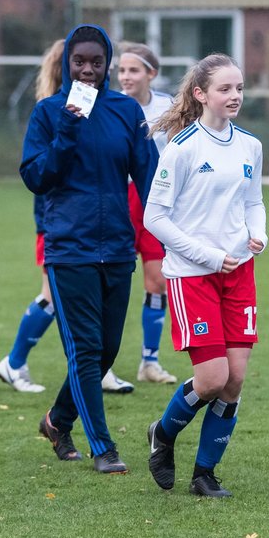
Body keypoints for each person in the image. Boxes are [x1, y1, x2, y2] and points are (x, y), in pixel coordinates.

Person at [22, 24, 156, 474]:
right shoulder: (48, 113)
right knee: (83, 349)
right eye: (79, 61)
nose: (87, 69)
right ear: (67, 65)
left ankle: (57, 421)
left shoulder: (125, 112)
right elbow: (38, 178)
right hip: (69, 249)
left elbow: (149, 176)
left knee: (107, 351)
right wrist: (66, 130)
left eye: (96, 62)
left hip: (118, 248)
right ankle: (104, 447)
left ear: (107, 65)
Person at [144, 53, 266, 498]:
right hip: (192, 275)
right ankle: (163, 433)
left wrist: (259, 233)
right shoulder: (182, 147)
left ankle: (204, 474)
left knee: (234, 381)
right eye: (224, 89)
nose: (234, 96)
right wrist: (207, 255)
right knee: (211, 379)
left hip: (239, 274)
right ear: (201, 95)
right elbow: (154, 216)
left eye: (238, 88)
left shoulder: (250, 145)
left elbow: (254, 200)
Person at [99, 42, 178, 393]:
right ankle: (101, 366)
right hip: (119, 198)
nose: (125, 76)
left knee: (157, 281)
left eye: (133, 70)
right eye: (121, 70)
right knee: (110, 282)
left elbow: (181, 150)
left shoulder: (169, 108)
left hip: (156, 200)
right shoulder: (111, 105)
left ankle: (149, 361)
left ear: (151, 73)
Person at [0, 39, 64, 395]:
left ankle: (98, 369)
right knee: (52, 295)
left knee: (69, 296)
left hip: (69, 221)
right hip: (55, 221)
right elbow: (39, 173)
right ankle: (14, 362)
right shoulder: (51, 112)